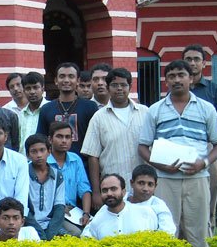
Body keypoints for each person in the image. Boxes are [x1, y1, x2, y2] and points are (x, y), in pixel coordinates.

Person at [138, 59, 217, 247]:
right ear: (165, 81)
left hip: (198, 176)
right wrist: (159, 164)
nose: (177, 80)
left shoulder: (206, 108)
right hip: (166, 178)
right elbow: (143, 147)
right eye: (172, 76)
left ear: (191, 78)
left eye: (181, 75)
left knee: (197, 231)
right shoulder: (155, 110)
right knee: (169, 232)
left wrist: (204, 163)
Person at [183, 44, 217, 234]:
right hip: (183, 148)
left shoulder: (215, 91)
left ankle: (209, 236)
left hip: (208, 149)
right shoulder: (177, 90)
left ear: (204, 63)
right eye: (188, 59)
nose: (192, 63)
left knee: (210, 194)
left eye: (196, 59)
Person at [81, 67, 148, 210]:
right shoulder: (98, 117)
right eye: (114, 85)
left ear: (130, 87)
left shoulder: (145, 113)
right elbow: (93, 156)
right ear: (108, 87)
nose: (119, 89)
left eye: (123, 85)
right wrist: (97, 192)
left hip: (142, 185)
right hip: (112, 189)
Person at [37, 62, 98, 160]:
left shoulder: (90, 107)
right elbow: (41, 140)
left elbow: (95, 143)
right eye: (62, 76)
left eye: (71, 76)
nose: (66, 80)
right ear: (56, 81)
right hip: (54, 167)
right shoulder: (46, 109)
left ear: (78, 81)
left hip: (83, 166)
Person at [82, 174, 159, 240]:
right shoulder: (97, 220)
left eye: (113, 189)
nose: (109, 193)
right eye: (105, 190)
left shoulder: (145, 213)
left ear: (123, 192)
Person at [48, 121, 92, 236]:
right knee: (76, 233)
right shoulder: (43, 161)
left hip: (73, 212)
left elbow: (84, 189)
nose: (64, 140)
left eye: (68, 137)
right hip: (51, 213)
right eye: (59, 136)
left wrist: (86, 214)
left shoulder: (75, 159)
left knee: (93, 229)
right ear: (50, 139)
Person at [25, 134, 65, 241]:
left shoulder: (58, 175)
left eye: (42, 150)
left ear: (49, 151)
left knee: (75, 235)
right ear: (28, 155)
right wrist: (41, 234)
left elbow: (59, 207)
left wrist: (50, 233)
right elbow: (24, 208)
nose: (39, 155)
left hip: (50, 224)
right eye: (34, 151)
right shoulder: (23, 174)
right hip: (28, 224)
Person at [128, 164, 176, 235]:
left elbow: (168, 232)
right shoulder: (122, 201)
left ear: (155, 186)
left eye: (150, 184)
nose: (145, 189)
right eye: (141, 183)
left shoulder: (158, 205)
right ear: (132, 183)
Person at [18, 71, 49, 154]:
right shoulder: (21, 115)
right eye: (28, 88)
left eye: (35, 87)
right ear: (24, 91)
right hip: (23, 160)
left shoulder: (51, 110)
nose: (32, 92)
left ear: (42, 89)